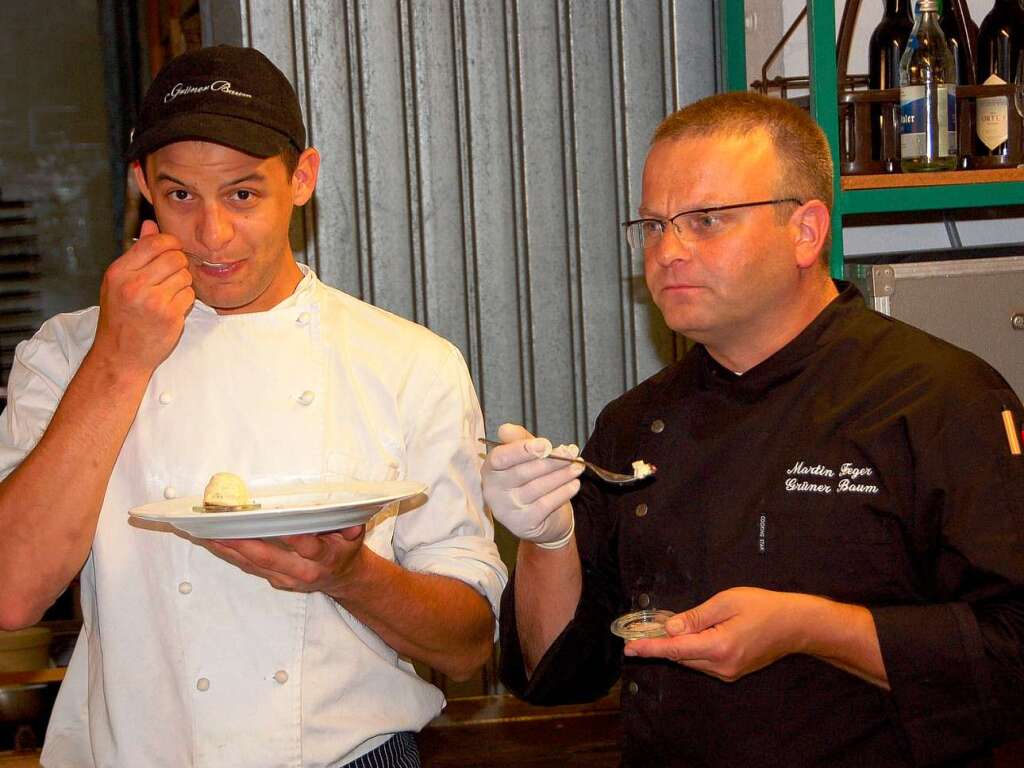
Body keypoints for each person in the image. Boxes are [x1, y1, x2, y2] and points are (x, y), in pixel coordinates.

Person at [482, 91, 1024, 767]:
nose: (669, 251)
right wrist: (545, 539)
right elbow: (556, 670)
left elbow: (1011, 652)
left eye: (706, 220)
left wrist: (810, 627)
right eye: (653, 225)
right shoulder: (632, 424)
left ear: (806, 230)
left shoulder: (942, 398)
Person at [0, 45, 506, 768]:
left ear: (302, 178)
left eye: (242, 194)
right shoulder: (67, 353)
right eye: (180, 197)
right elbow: (11, 595)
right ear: (142, 184)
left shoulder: (410, 364)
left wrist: (348, 575)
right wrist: (120, 359)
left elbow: (465, 646)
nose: (212, 236)